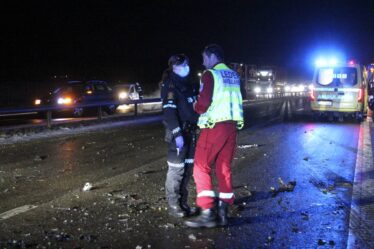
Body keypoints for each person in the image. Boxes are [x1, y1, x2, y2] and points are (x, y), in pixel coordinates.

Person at [185, 44, 244, 228]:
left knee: (200, 167)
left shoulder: (210, 75)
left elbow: (203, 104)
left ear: (212, 56)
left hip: (215, 125)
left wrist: (195, 105)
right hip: (232, 126)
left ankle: (207, 212)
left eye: (204, 57)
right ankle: (223, 211)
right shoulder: (234, 75)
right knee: (223, 167)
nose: (203, 62)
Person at [160, 54, 199, 218]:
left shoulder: (189, 83)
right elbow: (169, 112)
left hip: (191, 132)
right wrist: (177, 134)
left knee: (188, 169)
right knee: (176, 170)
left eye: (187, 65)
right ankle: (173, 204)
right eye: (182, 66)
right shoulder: (170, 85)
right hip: (179, 134)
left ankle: (183, 202)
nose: (186, 68)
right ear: (174, 67)